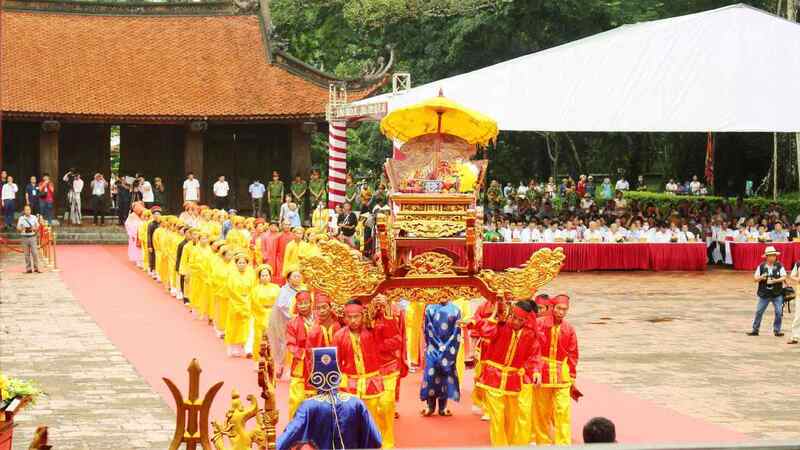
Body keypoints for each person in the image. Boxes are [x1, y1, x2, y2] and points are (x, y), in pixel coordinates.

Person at [461, 299, 541, 446]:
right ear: (510, 314)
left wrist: (536, 371)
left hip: (513, 381)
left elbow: (533, 355)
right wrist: (485, 320)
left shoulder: (529, 334)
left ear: (526, 319)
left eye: (520, 319)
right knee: (497, 418)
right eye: (514, 317)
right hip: (494, 378)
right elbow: (486, 332)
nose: (516, 321)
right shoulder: (501, 326)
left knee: (511, 419)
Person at [276, 347, 382, 450]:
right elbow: (376, 440)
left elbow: (290, 435)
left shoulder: (308, 406)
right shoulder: (356, 403)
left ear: (314, 376)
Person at [334, 299, 403, 441]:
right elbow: (336, 363)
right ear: (344, 317)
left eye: (356, 316)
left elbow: (396, 340)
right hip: (350, 381)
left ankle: (384, 444)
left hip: (371, 379)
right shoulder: (339, 336)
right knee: (350, 419)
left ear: (363, 315)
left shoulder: (373, 331)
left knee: (375, 416)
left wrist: (379, 346)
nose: (353, 320)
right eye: (349, 317)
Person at [532, 294, 580, 446]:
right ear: (552, 307)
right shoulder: (539, 323)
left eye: (565, 309)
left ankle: (563, 444)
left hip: (561, 374)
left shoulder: (569, 328)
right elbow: (533, 349)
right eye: (559, 308)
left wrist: (572, 377)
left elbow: (573, 353)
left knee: (563, 410)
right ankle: (543, 442)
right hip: (542, 372)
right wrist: (535, 370)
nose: (562, 312)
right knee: (541, 411)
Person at [420, 297, 461, 418]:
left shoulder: (455, 310)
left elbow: (456, 332)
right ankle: (430, 406)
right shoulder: (430, 308)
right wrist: (438, 346)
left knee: (445, 375)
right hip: (433, 348)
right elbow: (428, 330)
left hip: (449, 350)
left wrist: (447, 347)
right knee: (431, 376)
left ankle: (443, 407)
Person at [268, 270, 303, 378]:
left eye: (298, 276)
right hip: (284, 321)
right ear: (288, 279)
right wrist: (292, 316)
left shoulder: (302, 289)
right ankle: (281, 366)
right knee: (284, 344)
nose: (297, 278)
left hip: (298, 322)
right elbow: (281, 306)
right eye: (294, 276)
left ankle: (292, 367)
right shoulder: (284, 290)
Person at [286, 290, 315, 418]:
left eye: (305, 303)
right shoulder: (293, 323)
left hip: (318, 364)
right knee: (297, 399)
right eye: (300, 304)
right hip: (300, 365)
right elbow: (290, 344)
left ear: (311, 303)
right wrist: (304, 354)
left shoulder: (320, 319)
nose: (303, 306)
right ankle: (295, 428)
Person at [747, 246, 786, 337]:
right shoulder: (761, 266)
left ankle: (777, 330)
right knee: (759, 311)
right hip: (764, 294)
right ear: (767, 257)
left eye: (774, 255)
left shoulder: (779, 266)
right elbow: (755, 279)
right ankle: (755, 329)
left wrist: (775, 281)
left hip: (777, 293)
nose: (773, 257)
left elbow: (784, 277)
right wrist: (761, 277)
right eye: (771, 256)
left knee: (779, 312)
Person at [226, 251, 256, 357]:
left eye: (244, 263)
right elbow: (231, 290)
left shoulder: (251, 274)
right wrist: (241, 300)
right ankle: (234, 347)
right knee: (235, 326)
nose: (242, 265)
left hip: (248, 303)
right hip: (235, 303)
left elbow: (253, 288)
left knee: (248, 326)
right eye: (240, 263)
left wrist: (249, 300)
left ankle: (248, 348)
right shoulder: (232, 275)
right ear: (236, 264)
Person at [16, 205, 40, 273]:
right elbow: (18, 228)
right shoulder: (21, 218)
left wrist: (34, 228)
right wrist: (22, 229)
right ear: (24, 211)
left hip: (32, 236)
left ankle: (36, 268)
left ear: (30, 210)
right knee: (26, 254)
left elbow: (37, 226)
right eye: (26, 210)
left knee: (35, 253)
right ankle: (28, 268)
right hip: (24, 237)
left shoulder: (34, 217)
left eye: (28, 210)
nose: (27, 211)